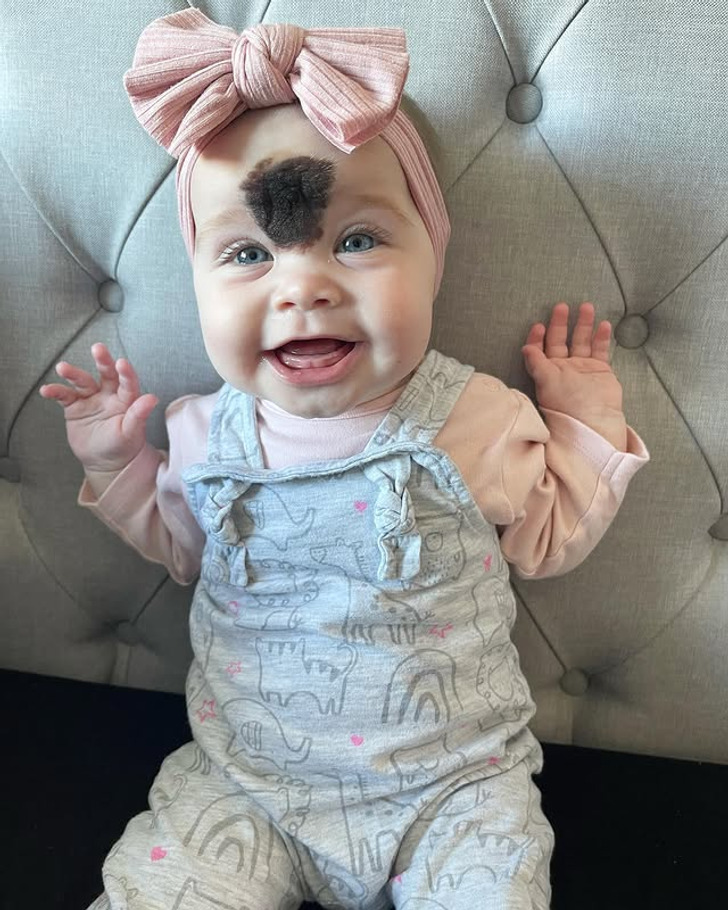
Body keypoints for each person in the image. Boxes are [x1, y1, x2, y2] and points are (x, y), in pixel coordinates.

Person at [40, 10, 649, 910]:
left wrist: (585, 415)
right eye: (247, 253)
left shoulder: (474, 418)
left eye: (356, 240)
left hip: (453, 792)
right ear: (199, 282)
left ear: (432, 259)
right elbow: (182, 550)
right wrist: (117, 461)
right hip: (244, 788)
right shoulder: (207, 436)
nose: (303, 285)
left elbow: (547, 540)